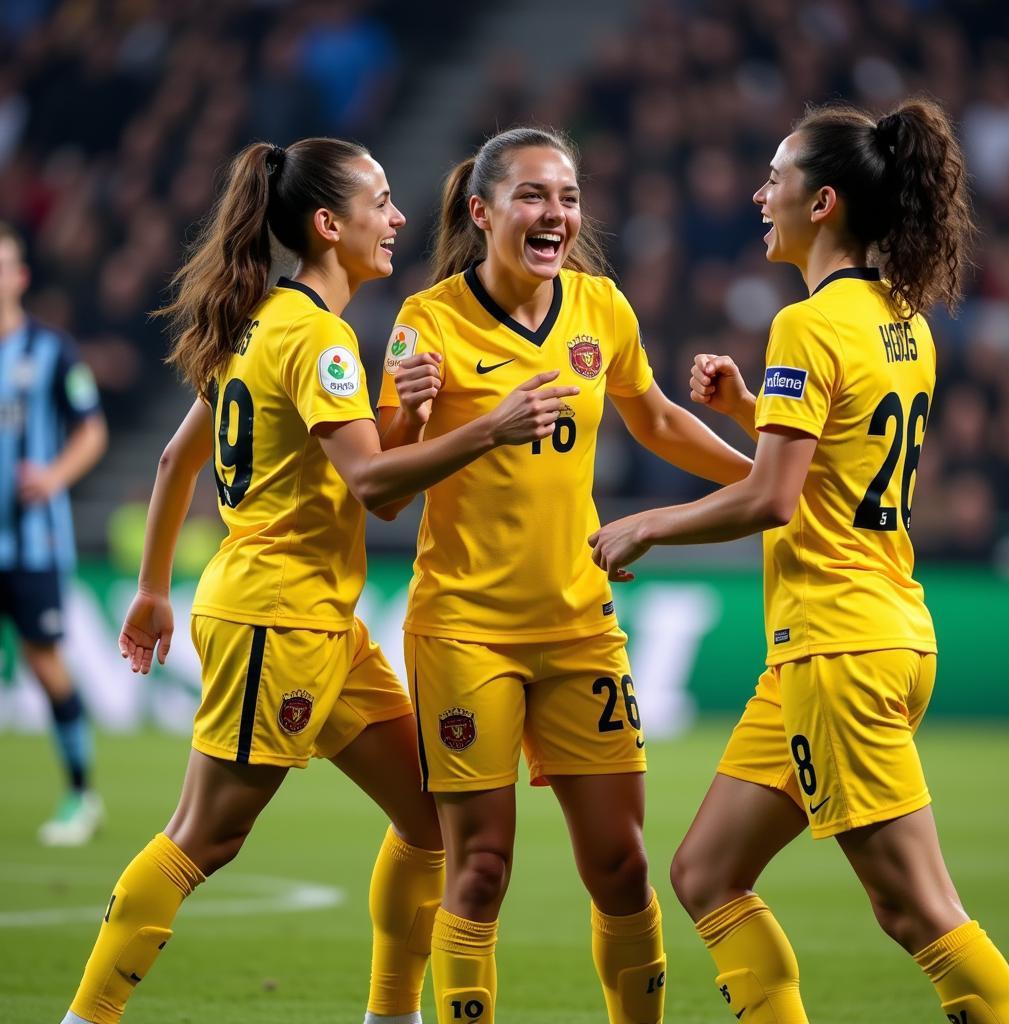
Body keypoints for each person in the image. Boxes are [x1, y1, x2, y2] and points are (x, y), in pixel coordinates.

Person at [60, 137, 579, 1024]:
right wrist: (489, 427)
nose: (400, 218)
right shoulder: (321, 341)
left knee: (430, 822)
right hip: (277, 616)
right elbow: (374, 486)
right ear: (330, 225)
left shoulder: (263, 322)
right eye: (382, 201)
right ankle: (87, 1017)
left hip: (319, 623)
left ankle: (389, 1015)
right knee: (204, 837)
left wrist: (152, 589)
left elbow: (176, 462)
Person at [589, 99, 1009, 1023]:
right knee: (706, 873)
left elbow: (774, 499)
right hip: (853, 639)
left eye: (776, 178)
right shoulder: (903, 321)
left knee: (917, 912)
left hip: (841, 648)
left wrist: (647, 525)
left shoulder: (809, 324)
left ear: (821, 202)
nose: (759, 193)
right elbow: (841, 465)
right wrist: (754, 411)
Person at [377, 126, 752, 1024]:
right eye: (534, 196)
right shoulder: (425, 322)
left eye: (569, 197)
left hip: (581, 621)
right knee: (480, 867)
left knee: (621, 864)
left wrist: (760, 479)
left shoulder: (600, 308)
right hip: (466, 627)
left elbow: (655, 420)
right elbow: (382, 479)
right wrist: (421, 418)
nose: (557, 215)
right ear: (483, 211)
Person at [0, 221, 108, 846]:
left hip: (32, 544)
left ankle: (80, 794)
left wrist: (51, 476)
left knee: (44, 662)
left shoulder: (51, 351)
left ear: (20, 277)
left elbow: (91, 430)